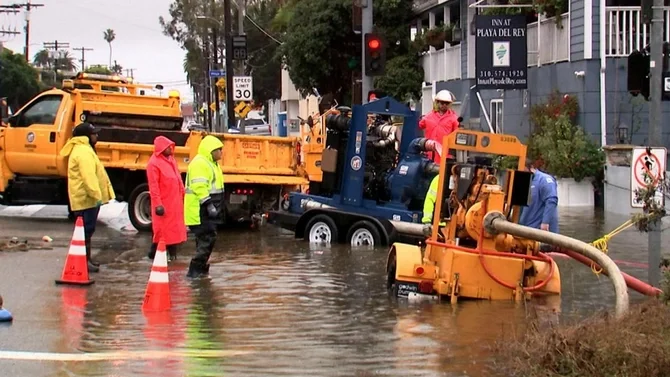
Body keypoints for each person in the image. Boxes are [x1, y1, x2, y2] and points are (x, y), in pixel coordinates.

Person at [59, 122, 115, 273]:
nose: (96, 136)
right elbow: (88, 177)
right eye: (93, 133)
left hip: (85, 199)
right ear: (86, 136)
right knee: (85, 231)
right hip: (86, 200)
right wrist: (96, 196)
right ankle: (83, 261)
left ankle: (86, 260)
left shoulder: (84, 149)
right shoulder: (83, 152)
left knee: (87, 231)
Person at [184, 135, 225, 278]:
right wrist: (208, 204)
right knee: (207, 238)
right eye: (219, 150)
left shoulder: (212, 164)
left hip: (206, 210)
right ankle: (195, 271)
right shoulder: (200, 163)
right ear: (211, 150)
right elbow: (199, 186)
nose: (221, 152)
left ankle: (199, 271)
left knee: (205, 240)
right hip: (200, 210)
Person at [146, 136, 187, 262]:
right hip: (164, 203)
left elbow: (178, 179)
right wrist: (158, 204)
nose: (171, 149)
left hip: (174, 203)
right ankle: (157, 254)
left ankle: (171, 255)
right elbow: (154, 187)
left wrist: (182, 195)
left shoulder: (171, 160)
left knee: (173, 232)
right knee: (163, 232)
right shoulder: (153, 164)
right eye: (168, 147)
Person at [418, 90, 460, 163]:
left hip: (444, 155)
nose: (444, 105)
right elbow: (419, 125)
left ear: (450, 104)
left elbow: (457, 136)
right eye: (442, 103)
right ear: (437, 102)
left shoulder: (454, 118)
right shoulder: (429, 116)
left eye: (446, 103)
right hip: (429, 155)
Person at [519, 160, 559, 233]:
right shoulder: (524, 181)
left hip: (540, 230)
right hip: (526, 229)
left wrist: (545, 222)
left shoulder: (544, 180)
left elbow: (551, 201)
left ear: (531, 167)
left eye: (523, 169)